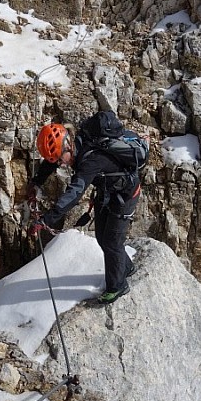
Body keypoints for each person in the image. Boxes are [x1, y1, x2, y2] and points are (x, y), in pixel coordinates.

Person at [27, 121, 140, 304]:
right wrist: (36, 181)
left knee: (112, 241)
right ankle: (125, 267)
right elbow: (51, 163)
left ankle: (117, 286)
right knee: (102, 237)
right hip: (108, 192)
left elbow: (74, 194)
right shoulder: (76, 145)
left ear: (67, 146)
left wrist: (47, 219)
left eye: (59, 158)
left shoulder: (90, 160)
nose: (61, 164)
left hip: (125, 195)